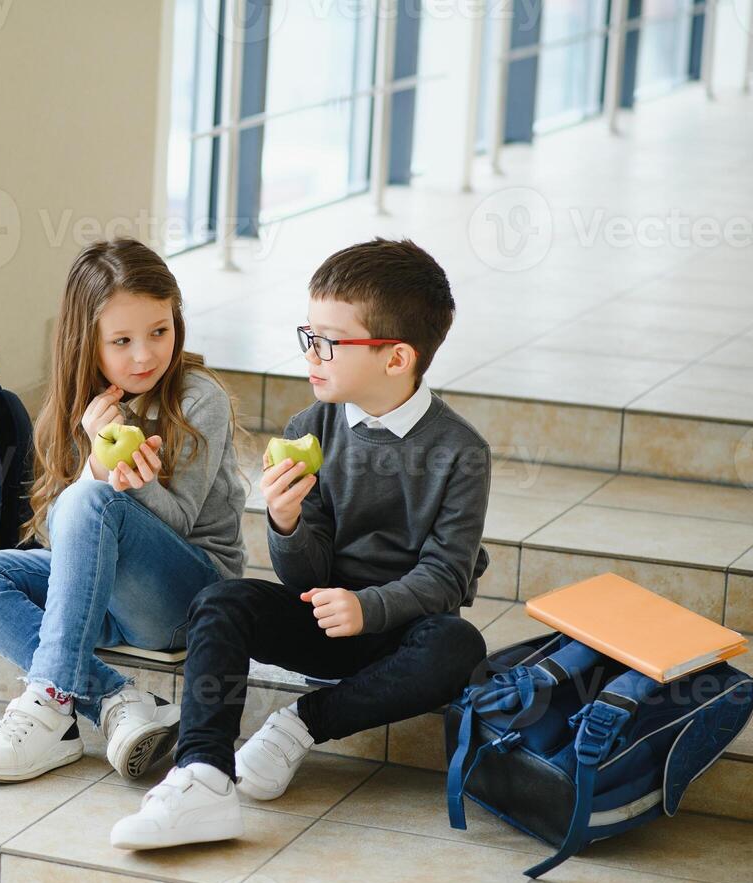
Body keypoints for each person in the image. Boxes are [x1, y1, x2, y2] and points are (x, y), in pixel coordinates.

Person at [111, 237, 491, 849]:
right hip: (321, 622)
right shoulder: (308, 427)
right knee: (223, 602)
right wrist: (286, 524)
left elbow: (447, 576)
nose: (311, 355)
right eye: (308, 335)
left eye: (329, 342)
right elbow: (301, 578)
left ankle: (300, 726)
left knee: (460, 646)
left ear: (397, 358)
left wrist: (370, 607)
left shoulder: (460, 451)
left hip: (401, 639)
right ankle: (203, 775)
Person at [0, 237, 246, 783]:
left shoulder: (199, 397)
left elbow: (175, 521)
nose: (145, 355)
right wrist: (94, 465)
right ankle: (115, 700)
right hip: (101, 597)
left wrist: (115, 481)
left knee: (89, 500)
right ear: (89, 343)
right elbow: (64, 543)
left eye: (160, 331)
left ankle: (51, 702)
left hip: (188, 600)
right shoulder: (82, 405)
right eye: (122, 340)